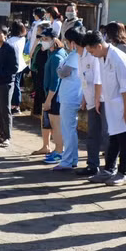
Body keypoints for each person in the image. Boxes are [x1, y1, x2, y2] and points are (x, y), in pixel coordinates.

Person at [85, 30, 126, 186]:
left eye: (92, 51)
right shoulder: (102, 57)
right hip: (113, 105)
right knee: (113, 138)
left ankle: (123, 173)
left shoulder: (118, 57)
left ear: (98, 46)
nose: (92, 55)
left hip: (125, 103)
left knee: (124, 139)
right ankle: (108, 170)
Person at [77, 25, 106, 177]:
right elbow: (84, 80)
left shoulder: (96, 56)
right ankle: (92, 165)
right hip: (91, 100)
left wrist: (96, 100)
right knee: (92, 135)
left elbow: (98, 80)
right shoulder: (83, 56)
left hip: (101, 101)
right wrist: (85, 98)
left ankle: (109, 167)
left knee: (106, 134)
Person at [54, 26, 85, 171]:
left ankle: (67, 161)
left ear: (73, 42)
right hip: (71, 95)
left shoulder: (74, 56)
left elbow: (63, 73)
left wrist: (59, 70)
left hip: (70, 96)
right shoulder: (76, 54)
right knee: (69, 129)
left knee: (68, 129)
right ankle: (72, 159)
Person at [41, 27, 67, 164]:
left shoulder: (57, 56)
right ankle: (58, 150)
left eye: (46, 39)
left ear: (54, 40)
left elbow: (55, 82)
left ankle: (58, 151)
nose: (43, 42)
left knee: (56, 125)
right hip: (55, 95)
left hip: (55, 96)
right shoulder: (54, 54)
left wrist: (48, 100)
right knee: (55, 124)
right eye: (42, 39)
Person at [29, 21, 53, 155]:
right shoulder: (40, 47)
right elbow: (31, 55)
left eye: (44, 37)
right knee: (43, 115)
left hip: (47, 86)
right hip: (39, 83)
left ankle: (51, 145)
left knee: (49, 116)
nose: (41, 38)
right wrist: (37, 42)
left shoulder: (53, 53)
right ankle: (46, 144)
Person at [7, 20, 28, 114]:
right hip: (21, 64)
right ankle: (17, 105)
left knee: (14, 85)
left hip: (12, 65)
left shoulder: (10, 41)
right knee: (17, 84)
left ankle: (14, 105)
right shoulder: (23, 39)